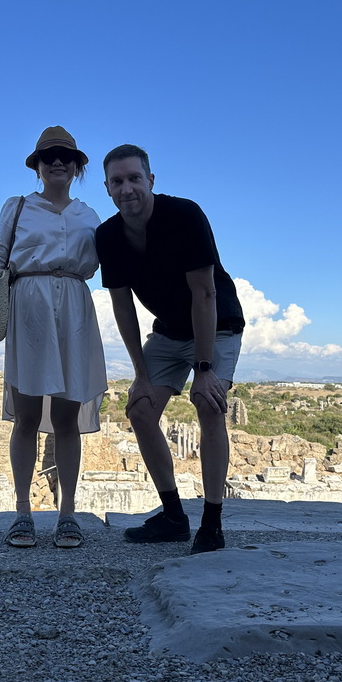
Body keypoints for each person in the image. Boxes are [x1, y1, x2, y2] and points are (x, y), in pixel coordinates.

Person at [96, 144, 244, 554]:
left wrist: (204, 368)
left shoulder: (184, 216)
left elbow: (205, 293)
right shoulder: (108, 235)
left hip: (216, 324)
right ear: (107, 188)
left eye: (134, 178)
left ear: (151, 180)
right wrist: (140, 375)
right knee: (140, 410)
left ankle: (211, 523)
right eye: (117, 181)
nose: (126, 189)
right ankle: (174, 515)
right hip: (167, 332)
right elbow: (123, 308)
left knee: (209, 404)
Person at [0, 126, 107, 549]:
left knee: (66, 418)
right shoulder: (17, 208)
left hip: (73, 308)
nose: (57, 162)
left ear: (77, 166)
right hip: (29, 306)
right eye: (48, 155)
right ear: (37, 164)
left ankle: (67, 513)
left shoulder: (89, 216)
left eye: (66, 157)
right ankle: (22, 512)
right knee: (28, 416)